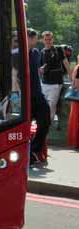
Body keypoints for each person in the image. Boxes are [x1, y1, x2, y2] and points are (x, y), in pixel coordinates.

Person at [27, 29, 51, 165]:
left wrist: (39, 70)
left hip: (38, 93)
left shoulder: (36, 53)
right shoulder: (19, 54)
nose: (37, 41)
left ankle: (35, 149)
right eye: (35, 38)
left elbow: (35, 69)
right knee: (25, 126)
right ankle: (28, 154)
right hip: (26, 96)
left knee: (46, 119)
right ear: (29, 39)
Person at [39, 31, 70, 128]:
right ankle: (44, 124)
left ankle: (48, 125)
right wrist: (40, 70)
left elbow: (65, 62)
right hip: (44, 82)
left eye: (49, 39)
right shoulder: (42, 52)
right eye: (46, 39)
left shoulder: (58, 49)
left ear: (53, 39)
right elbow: (39, 67)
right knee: (44, 105)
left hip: (56, 83)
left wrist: (71, 75)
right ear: (43, 40)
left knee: (52, 104)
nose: (48, 41)